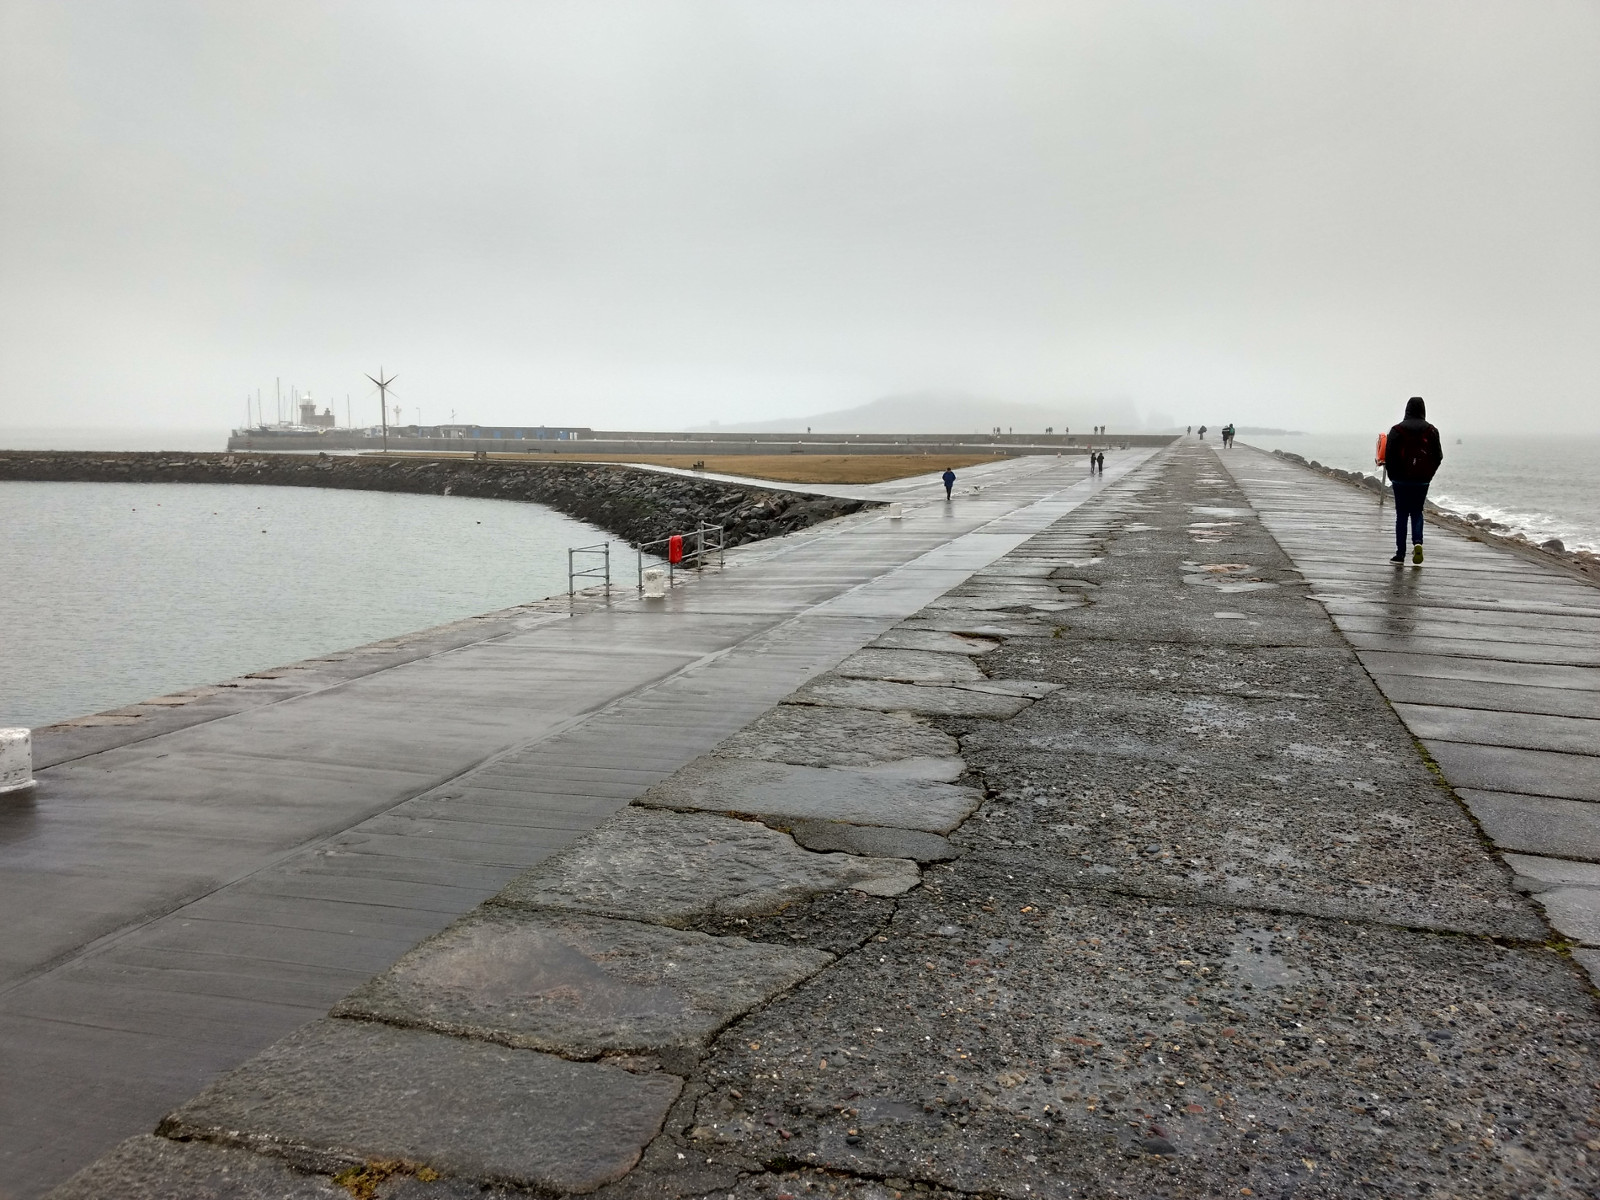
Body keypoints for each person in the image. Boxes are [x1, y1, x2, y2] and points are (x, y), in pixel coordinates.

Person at [1385, 396, 1443, 564]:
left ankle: (1400, 554)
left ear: (1407, 409)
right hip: (1422, 480)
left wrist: (1393, 475)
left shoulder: (1397, 430)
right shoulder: (1431, 430)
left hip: (1400, 480)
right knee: (1417, 512)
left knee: (1401, 514)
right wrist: (1429, 474)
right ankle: (1418, 542)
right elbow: (1438, 456)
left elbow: (1389, 456)